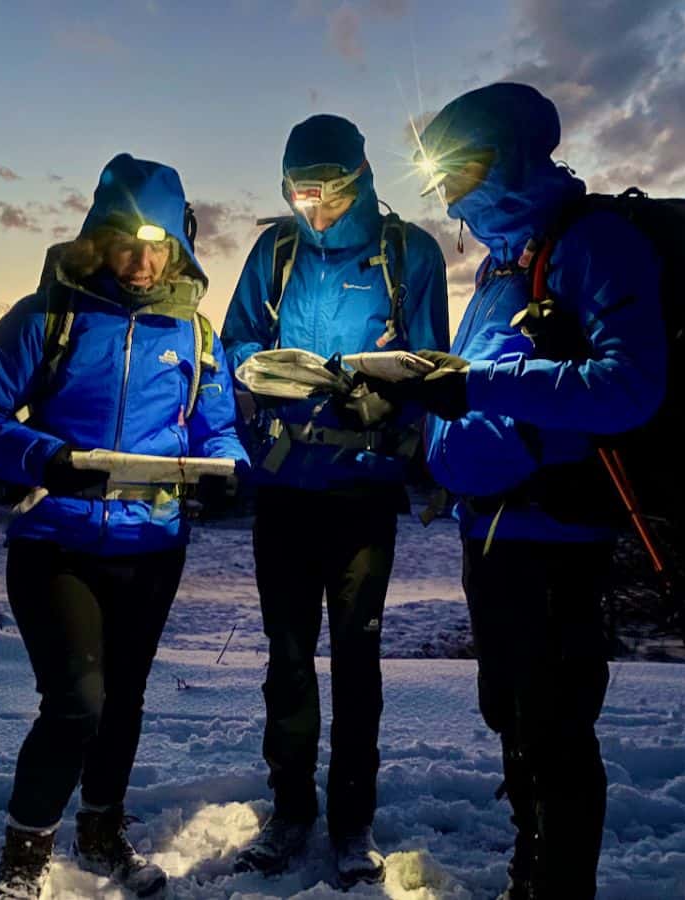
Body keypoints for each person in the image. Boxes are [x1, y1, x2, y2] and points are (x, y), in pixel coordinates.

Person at [392, 83, 668, 898]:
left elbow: (630, 388)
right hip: (494, 534)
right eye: (437, 177)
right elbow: (477, 384)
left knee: (555, 732)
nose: (446, 192)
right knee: (511, 717)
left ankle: (558, 888)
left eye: (457, 169)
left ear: (505, 155)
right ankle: (531, 871)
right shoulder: (501, 263)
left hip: (557, 536)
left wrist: (475, 388)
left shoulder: (593, 243)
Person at [0, 153, 248, 900]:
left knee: (123, 700)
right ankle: (21, 865)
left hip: (151, 549)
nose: (143, 260)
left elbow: (216, 428)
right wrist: (48, 460)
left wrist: (225, 471)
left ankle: (101, 834)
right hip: (57, 541)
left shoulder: (196, 332)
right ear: (96, 237)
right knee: (76, 703)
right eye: (127, 241)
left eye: (159, 245)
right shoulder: (45, 316)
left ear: (179, 245)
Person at [221, 114, 450, 887]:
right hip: (285, 488)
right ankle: (291, 813)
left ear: (359, 177)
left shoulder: (407, 253)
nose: (313, 205)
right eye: (298, 189)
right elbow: (236, 338)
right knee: (288, 661)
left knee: (357, 662)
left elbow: (430, 365)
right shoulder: (275, 252)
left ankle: (353, 822)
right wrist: (263, 370)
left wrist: (386, 403)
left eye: (327, 188)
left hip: (363, 494)